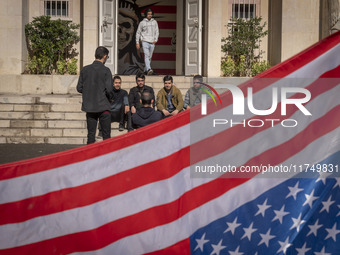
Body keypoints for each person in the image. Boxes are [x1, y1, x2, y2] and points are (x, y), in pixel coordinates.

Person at [77, 46, 113, 144]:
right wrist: (111, 99)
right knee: (106, 136)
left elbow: (79, 88)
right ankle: (107, 157)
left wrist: (89, 91)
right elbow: (109, 90)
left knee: (91, 135)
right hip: (104, 106)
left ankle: (90, 157)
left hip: (90, 106)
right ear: (105, 56)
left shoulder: (85, 69)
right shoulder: (106, 71)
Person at [136, 8, 159, 75]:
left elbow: (157, 31)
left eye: (151, 14)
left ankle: (145, 70)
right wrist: (137, 42)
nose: (150, 15)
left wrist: (155, 40)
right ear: (146, 14)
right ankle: (149, 68)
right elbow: (138, 33)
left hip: (152, 42)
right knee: (146, 55)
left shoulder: (154, 22)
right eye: (148, 14)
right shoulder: (142, 23)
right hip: (145, 41)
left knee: (149, 57)